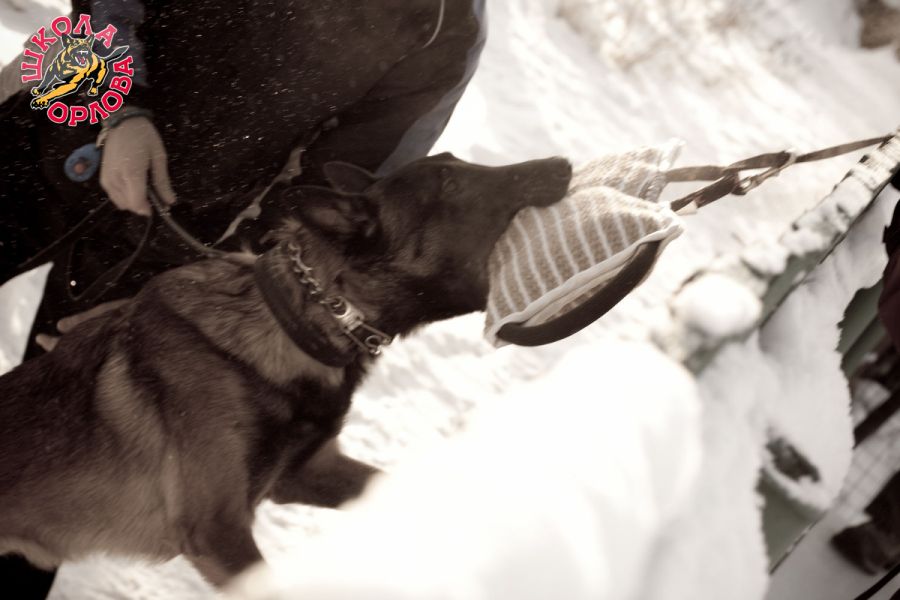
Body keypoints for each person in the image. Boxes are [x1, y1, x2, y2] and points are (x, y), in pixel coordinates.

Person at [0, 0, 486, 596]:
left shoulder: (445, 28)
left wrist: (174, 310)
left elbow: (326, 201)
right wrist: (122, 109)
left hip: (168, 241)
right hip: (55, 114)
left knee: (44, 463)